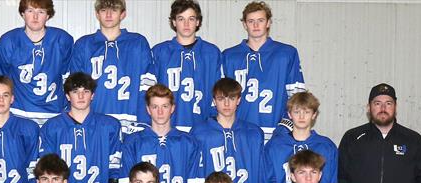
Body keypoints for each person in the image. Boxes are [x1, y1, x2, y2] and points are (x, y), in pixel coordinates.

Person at [221, 1, 305, 140]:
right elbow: (220, 98)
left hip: (277, 134)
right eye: (251, 21)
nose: (256, 25)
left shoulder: (286, 54)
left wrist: (285, 127)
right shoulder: (229, 56)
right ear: (244, 24)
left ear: (268, 22)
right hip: (240, 134)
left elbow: (298, 97)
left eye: (260, 20)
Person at [37, 72, 122, 183]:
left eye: (86, 91)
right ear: (67, 96)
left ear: (92, 95)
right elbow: (47, 171)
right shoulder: (52, 127)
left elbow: (115, 166)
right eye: (75, 92)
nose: (81, 96)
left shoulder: (109, 126)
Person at [69, 0, 154, 133]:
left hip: (130, 122)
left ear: (122, 14)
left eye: (114, 10)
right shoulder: (83, 45)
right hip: (93, 121)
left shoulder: (138, 43)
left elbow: (147, 86)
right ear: (97, 14)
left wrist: (144, 120)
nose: (108, 15)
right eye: (103, 10)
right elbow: (75, 89)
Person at [119, 84, 202, 183]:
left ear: (172, 108)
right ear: (148, 109)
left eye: (165, 106)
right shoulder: (133, 142)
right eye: (155, 107)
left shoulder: (189, 142)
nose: (160, 112)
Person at [191, 78, 267, 183]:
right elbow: (195, 175)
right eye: (221, 99)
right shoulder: (199, 133)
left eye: (231, 98)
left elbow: (262, 174)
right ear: (214, 101)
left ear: (239, 100)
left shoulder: (254, 134)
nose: (226, 104)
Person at [0, 0, 73, 125]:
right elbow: (2, 79)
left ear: (48, 15)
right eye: (30, 11)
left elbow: (67, 77)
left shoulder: (62, 40)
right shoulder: (9, 41)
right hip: (19, 112)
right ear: (22, 13)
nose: (35, 16)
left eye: (41, 12)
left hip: (54, 112)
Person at [151, 0, 221, 133]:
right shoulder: (159, 52)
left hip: (202, 127)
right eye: (181, 19)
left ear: (198, 22)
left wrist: (213, 122)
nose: (186, 24)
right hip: (166, 128)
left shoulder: (211, 53)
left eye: (191, 19)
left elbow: (219, 92)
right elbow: (149, 93)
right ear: (174, 22)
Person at [263, 91, 339, 183]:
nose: (301, 116)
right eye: (297, 112)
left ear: (314, 115)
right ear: (289, 114)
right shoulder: (275, 146)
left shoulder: (326, 147)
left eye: (307, 112)